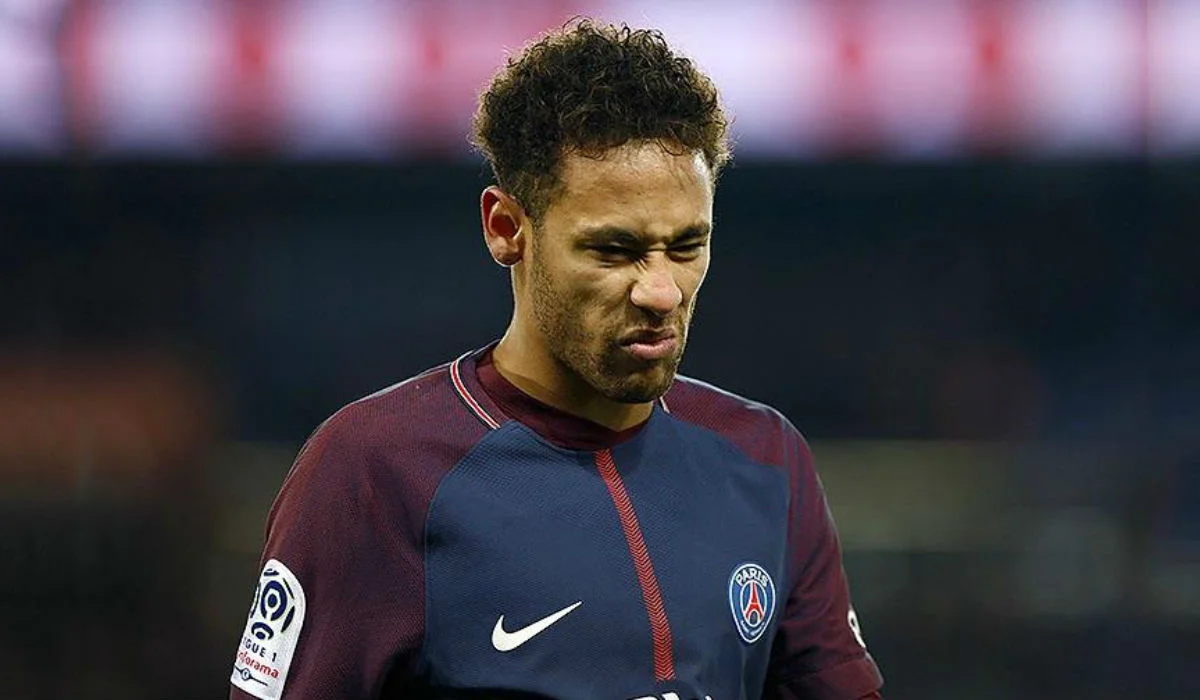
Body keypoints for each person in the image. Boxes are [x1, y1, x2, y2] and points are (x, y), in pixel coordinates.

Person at [229, 19, 883, 700]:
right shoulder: (374, 470)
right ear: (506, 229)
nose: (662, 291)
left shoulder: (766, 459)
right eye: (614, 250)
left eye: (687, 247)